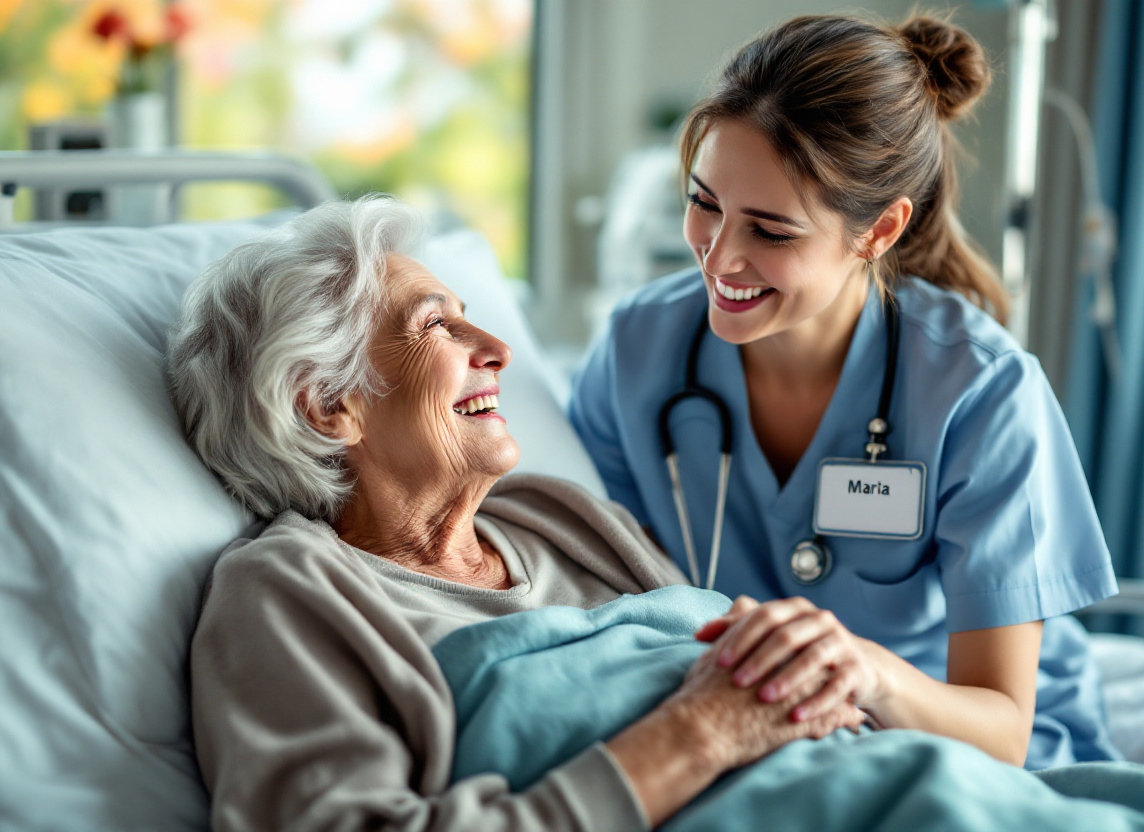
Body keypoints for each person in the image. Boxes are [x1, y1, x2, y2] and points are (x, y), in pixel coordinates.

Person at [166, 196, 866, 832]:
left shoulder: (559, 517)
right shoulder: (286, 589)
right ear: (330, 405)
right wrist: (703, 732)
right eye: (437, 325)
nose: (498, 352)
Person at [569, 13, 1119, 771]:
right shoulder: (638, 353)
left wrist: (865, 671)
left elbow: (1002, 728)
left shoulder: (982, 393)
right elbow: (609, 599)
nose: (719, 257)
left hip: (943, 737)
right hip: (744, 726)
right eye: (705, 204)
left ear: (879, 231)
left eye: (770, 231)